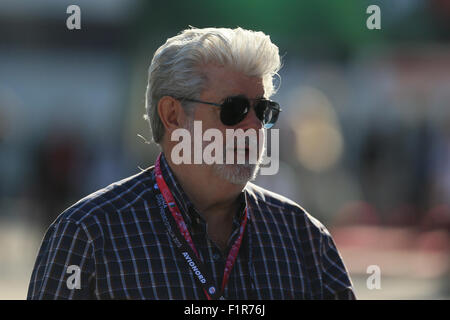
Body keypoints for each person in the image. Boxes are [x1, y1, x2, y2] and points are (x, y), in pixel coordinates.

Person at [27, 27, 355, 300]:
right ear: (172, 115)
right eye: (235, 109)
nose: (254, 127)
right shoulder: (89, 235)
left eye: (263, 111)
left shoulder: (305, 239)